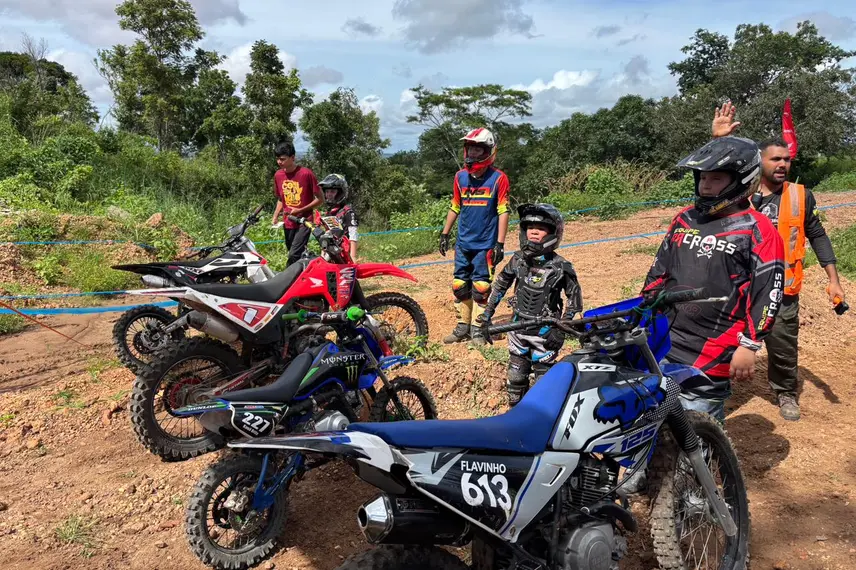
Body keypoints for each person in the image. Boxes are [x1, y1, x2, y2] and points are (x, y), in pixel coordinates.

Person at [711, 101, 846, 421]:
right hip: (739, 285)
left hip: (783, 288)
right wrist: (718, 141)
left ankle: (785, 391)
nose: (783, 164)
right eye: (776, 159)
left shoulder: (801, 196)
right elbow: (712, 177)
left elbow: (817, 235)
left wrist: (833, 277)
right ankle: (716, 394)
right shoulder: (739, 192)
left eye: (787, 159)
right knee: (723, 340)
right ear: (760, 162)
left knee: (783, 345)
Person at [642, 135, 785, 423]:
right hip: (665, 338)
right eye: (703, 177)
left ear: (742, 180)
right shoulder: (685, 218)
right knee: (652, 421)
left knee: (696, 429)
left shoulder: (758, 230)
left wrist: (750, 345)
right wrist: (645, 310)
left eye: (716, 178)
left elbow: (768, 292)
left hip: (714, 349)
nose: (706, 185)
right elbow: (660, 269)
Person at [477, 203, 582, 406]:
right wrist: (486, 315)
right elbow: (499, 287)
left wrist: (561, 330)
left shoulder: (562, 267)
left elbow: (575, 301)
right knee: (515, 377)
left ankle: (543, 422)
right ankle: (514, 414)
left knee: (544, 384)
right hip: (517, 329)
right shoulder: (517, 260)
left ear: (553, 232)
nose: (534, 232)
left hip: (545, 333)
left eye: (541, 228)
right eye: (529, 227)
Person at [438, 127, 510, 346]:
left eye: (478, 150)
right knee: (460, 284)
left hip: (485, 244)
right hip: (463, 243)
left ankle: (478, 329)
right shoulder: (460, 177)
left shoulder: (499, 179)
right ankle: (463, 326)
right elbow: (455, 206)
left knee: (481, 286)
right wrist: (445, 233)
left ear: (488, 152)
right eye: (470, 149)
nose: (473, 155)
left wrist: (500, 243)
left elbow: (503, 210)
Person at [271, 140, 322, 266]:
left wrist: (299, 210)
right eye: (277, 159)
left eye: (282, 159)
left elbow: (320, 199)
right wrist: (275, 215)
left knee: (293, 254)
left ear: (292, 157)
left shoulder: (306, 174)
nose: (279, 162)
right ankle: (303, 277)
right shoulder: (278, 175)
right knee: (295, 254)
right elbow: (280, 199)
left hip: (305, 221)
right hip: (288, 222)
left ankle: (286, 280)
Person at [314, 173, 359, 262]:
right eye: (327, 191)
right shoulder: (330, 212)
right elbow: (328, 233)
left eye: (332, 191)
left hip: (345, 252)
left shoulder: (348, 211)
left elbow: (353, 234)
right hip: (332, 250)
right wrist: (323, 253)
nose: (329, 194)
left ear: (340, 192)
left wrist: (353, 256)